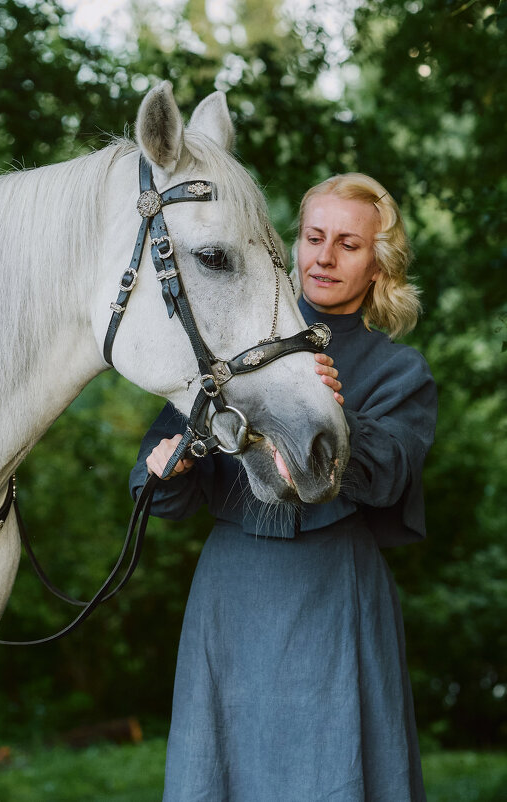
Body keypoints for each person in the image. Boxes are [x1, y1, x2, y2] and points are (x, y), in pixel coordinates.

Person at [130, 172, 437, 801]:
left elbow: (386, 475)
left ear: (378, 265)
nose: (324, 257)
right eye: (313, 236)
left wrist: (323, 408)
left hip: (336, 592)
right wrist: (171, 465)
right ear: (292, 243)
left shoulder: (399, 371)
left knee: (336, 770)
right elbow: (160, 492)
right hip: (232, 592)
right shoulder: (232, 343)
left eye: (348, 245)